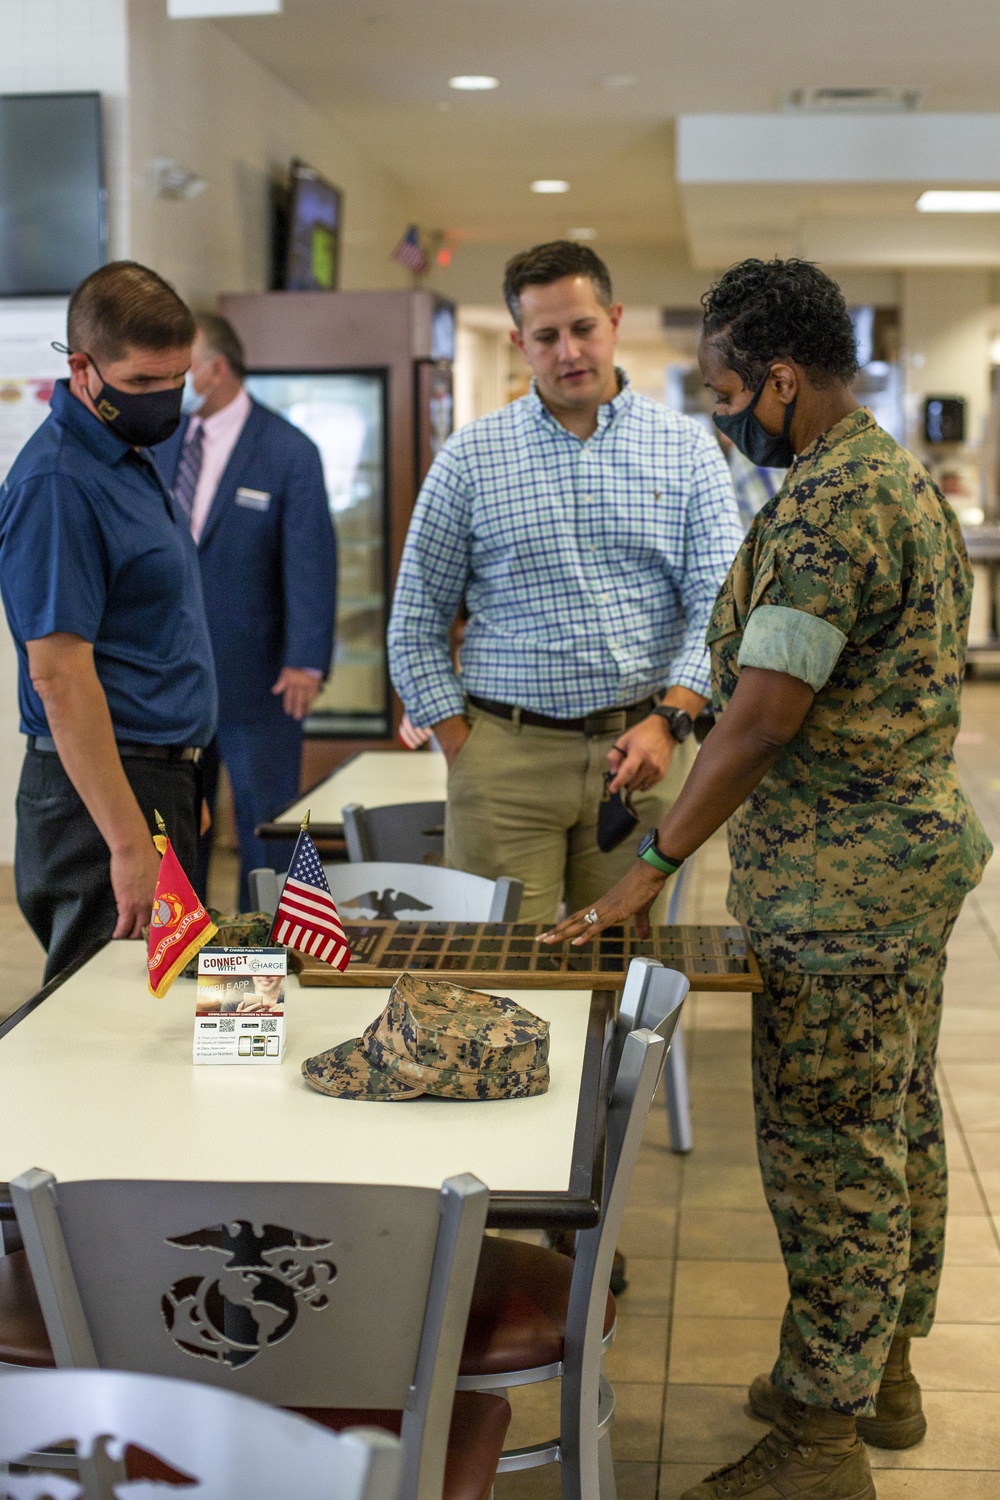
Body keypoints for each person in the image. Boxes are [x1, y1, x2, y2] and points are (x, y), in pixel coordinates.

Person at [542, 258, 992, 1500]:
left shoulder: (828, 510)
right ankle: (876, 1376)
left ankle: (818, 1439)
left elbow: (761, 717)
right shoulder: (886, 475)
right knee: (893, 1119)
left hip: (843, 892)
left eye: (733, 390)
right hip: (901, 865)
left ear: (783, 380)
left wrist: (655, 862)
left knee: (831, 1154)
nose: (727, 413)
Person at [388, 241, 743, 921]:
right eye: (547, 336)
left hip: (643, 754)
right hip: (506, 758)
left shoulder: (687, 448)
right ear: (522, 343)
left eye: (582, 329)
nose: (569, 352)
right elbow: (413, 623)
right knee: (492, 979)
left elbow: (719, 608)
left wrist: (672, 720)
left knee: (619, 973)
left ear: (612, 320)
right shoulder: (470, 456)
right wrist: (463, 747)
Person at [0, 261, 217, 982]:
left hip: (156, 783)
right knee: (107, 1025)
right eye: (145, 384)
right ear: (84, 369)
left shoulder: (128, 456)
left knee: (161, 1024)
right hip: (103, 801)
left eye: (177, 379)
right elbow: (59, 676)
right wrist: (129, 843)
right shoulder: (58, 483)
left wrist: (189, 781)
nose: (165, 400)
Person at [155, 314, 337, 908]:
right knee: (179, 836)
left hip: (261, 682)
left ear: (217, 369)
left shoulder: (288, 450)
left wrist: (307, 661)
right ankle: (182, 967)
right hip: (174, 683)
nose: (174, 380)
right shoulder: (161, 444)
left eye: (184, 366)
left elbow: (311, 560)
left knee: (266, 829)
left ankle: (260, 977)